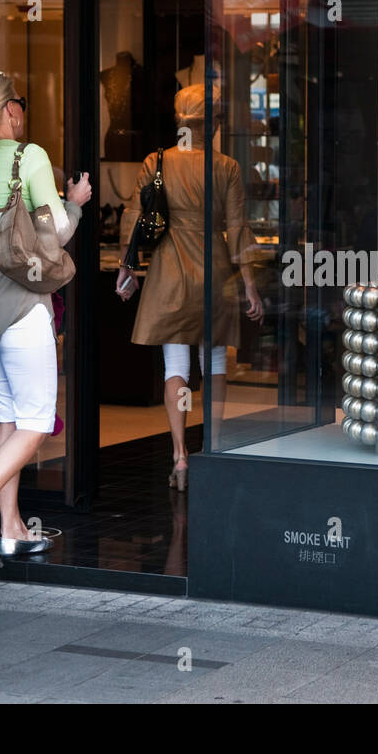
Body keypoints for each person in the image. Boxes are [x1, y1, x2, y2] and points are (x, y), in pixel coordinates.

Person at [0, 71, 92, 567]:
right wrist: (76, 202)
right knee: (36, 421)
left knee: (9, 416)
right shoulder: (31, 157)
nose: (22, 111)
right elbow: (54, 235)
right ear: (10, 111)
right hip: (22, 308)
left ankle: (10, 529)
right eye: (20, 103)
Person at [115, 84, 263, 491]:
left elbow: (134, 216)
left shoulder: (155, 160)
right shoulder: (227, 167)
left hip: (168, 272)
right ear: (211, 123)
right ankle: (211, 448)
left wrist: (127, 268)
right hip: (215, 273)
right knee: (214, 363)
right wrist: (250, 284)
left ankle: (180, 456)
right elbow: (237, 229)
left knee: (175, 366)